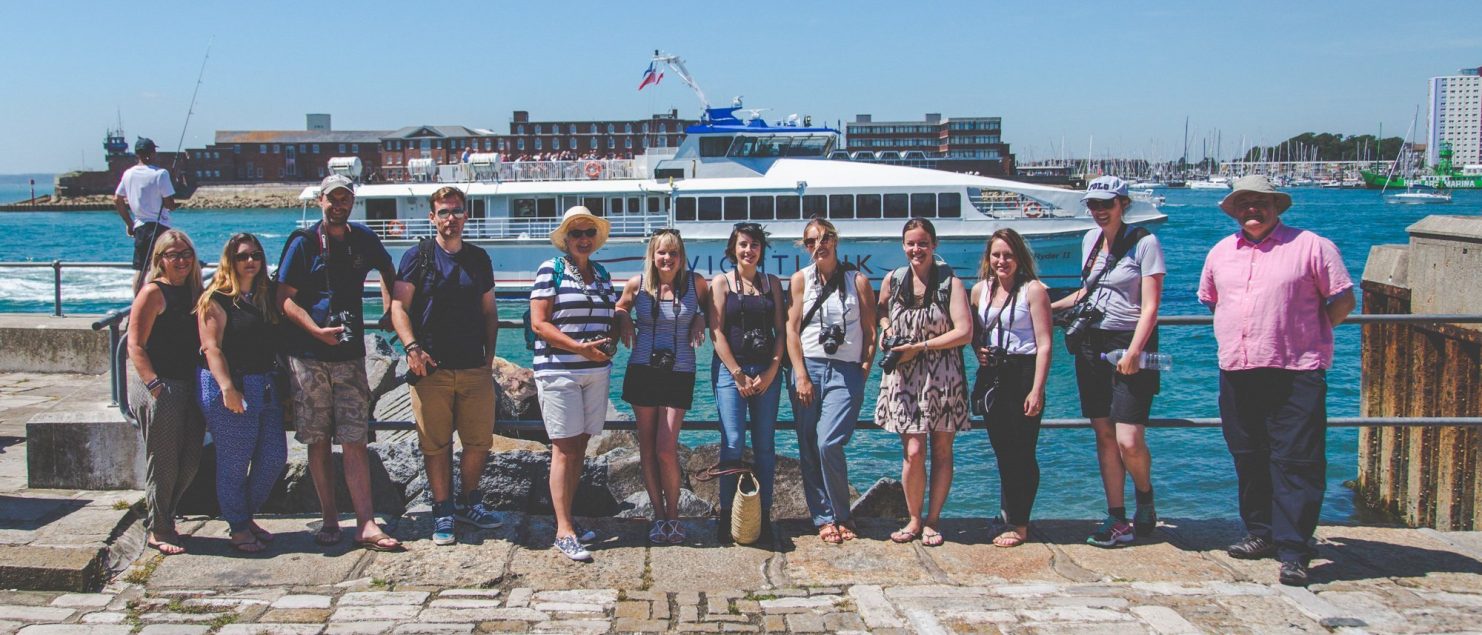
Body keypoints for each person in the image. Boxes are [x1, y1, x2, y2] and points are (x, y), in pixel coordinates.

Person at [1200, 175, 1354, 586]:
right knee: (1248, 454)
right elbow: (1214, 301)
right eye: (1244, 202)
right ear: (1235, 210)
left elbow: (1343, 299)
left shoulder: (1312, 246)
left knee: (1297, 461)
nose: (1252, 209)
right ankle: (1261, 532)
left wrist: (1311, 335)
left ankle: (1294, 549)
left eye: (1260, 201)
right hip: (1238, 369)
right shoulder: (1220, 252)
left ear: (1276, 206)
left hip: (1296, 371)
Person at [275, 174, 402, 552]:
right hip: (309, 357)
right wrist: (315, 330)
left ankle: (366, 523)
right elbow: (283, 298)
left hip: (350, 355)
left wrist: (388, 308)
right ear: (321, 201)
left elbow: (388, 269)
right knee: (317, 440)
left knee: (354, 439)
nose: (338, 205)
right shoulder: (302, 243)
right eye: (333, 199)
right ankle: (330, 518)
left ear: (352, 202)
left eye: (345, 199)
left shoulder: (363, 238)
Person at [1050, 175, 1166, 548]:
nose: (1099, 210)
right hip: (1091, 342)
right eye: (1093, 204)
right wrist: (1043, 308)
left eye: (1107, 204)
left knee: (1128, 438)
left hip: (1130, 342)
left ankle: (1144, 496)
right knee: (1103, 432)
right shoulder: (1090, 240)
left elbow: (1151, 306)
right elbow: (1087, 291)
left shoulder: (1146, 243)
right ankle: (1116, 516)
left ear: (1123, 204)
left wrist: (1134, 351)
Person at [389, 186, 503, 547]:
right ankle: (442, 510)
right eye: (443, 212)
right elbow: (398, 307)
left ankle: (469, 501)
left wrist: (488, 359)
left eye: (456, 211)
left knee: (479, 442)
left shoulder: (479, 259)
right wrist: (412, 348)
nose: (450, 218)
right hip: (430, 368)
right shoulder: (418, 256)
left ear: (466, 216)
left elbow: (490, 311)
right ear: (432, 217)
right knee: (435, 445)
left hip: (474, 366)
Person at [875, 218, 972, 547]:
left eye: (923, 243)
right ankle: (914, 518)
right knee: (914, 451)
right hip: (904, 378)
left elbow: (965, 332)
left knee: (942, 450)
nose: (916, 249)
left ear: (934, 245)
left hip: (943, 376)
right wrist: (887, 331)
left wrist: (919, 347)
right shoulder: (894, 280)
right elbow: (881, 311)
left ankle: (933, 520)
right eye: (911, 243)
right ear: (903, 245)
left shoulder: (951, 284)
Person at [528, 206, 616, 562]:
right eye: (576, 233)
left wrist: (618, 328)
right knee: (563, 448)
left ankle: (569, 518)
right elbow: (539, 323)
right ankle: (563, 530)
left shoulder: (602, 273)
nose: (583, 239)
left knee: (580, 445)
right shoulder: (550, 269)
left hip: (595, 371)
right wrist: (579, 348)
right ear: (565, 239)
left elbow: (612, 313)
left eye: (589, 233)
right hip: (559, 370)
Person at [615, 230, 709, 545]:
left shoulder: (696, 284)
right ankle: (658, 517)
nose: (667, 258)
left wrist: (701, 318)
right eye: (661, 253)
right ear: (652, 256)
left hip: (679, 372)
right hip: (643, 370)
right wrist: (623, 318)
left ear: (681, 257)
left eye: (673, 253)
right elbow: (620, 306)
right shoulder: (638, 285)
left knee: (665, 449)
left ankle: (674, 515)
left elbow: (714, 310)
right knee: (647, 448)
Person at [786, 217, 877, 544]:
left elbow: (871, 332)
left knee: (828, 442)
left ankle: (842, 513)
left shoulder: (858, 281)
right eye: (810, 241)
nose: (818, 246)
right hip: (807, 369)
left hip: (845, 370)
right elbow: (791, 330)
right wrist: (800, 374)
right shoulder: (800, 280)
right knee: (809, 445)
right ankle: (823, 518)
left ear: (835, 241)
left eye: (824, 239)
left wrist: (862, 371)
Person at [196, 233, 288, 553]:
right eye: (243, 256)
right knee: (234, 462)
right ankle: (238, 526)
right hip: (230, 384)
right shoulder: (216, 299)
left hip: (264, 383)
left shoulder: (263, 296)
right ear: (230, 261)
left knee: (274, 456)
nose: (251, 261)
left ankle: (244, 515)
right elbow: (211, 348)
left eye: (256, 255)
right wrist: (227, 388)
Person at [971, 228, 1053, 548]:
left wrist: (1037, 389)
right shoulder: (980, 290)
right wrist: (978, 350)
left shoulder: (1034, 290)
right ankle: (1010, 515)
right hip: (993, 374)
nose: (1001, 261)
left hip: (1023, 373)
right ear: (988, 258)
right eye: (996, 255)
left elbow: (1045, 344)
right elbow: (975, 332)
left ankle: (1020, 524)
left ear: (1019, 258)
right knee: (1003, 451)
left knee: (1022, 452)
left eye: (1008, 255)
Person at [708, 223, 786, 544]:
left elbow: (781, 331)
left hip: (767, 370)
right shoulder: (722, 283)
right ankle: (728, 514)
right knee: (733, 441)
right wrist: (737, 373)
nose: (748, 250)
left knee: (765, 445)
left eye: (754, 244)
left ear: (762, 249)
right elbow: (716, 331)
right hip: (731, 372)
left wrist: (772, 370)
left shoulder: (772, 284)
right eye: (743, 244)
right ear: (733, 249)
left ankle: (762, 515)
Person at [126, 229, 204, 555]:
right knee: (164, 461)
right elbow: (135, 344)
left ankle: (166, 516)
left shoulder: (196, 291)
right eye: (174, 255)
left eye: (186, 253)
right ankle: (159, 528)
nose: (182, 260)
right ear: (161, 259)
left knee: (191, 459)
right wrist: (154, 385)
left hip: (190, 384)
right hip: (161, 386)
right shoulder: (153, 293)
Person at [114, 137, 178, 294]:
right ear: (153, 153)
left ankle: (137, 302)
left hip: (140, 227)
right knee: (162, 266)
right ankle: (160, 299)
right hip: (160, 226)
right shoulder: (161, 174)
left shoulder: (128, 174)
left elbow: (117, 199)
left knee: (140, 269)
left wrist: (129, 223)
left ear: (137, 154)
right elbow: (169, 204)